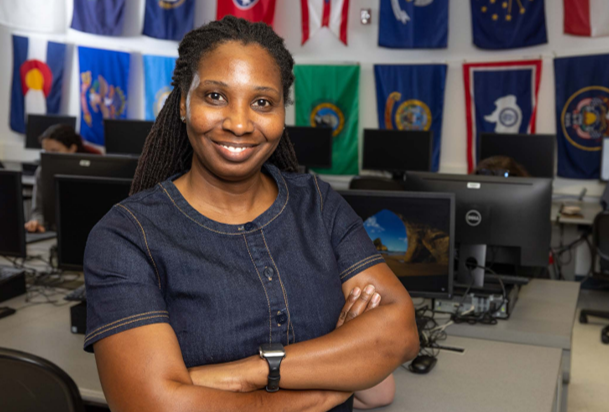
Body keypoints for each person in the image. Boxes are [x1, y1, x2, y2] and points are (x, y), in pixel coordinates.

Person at [83, 16, 418, 412]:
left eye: (262, 102)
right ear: (183, 106)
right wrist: (329, 382)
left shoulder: (318, 204)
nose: (240, 124)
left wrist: (252, 373)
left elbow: (400, 331)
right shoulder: (126, 236)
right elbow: (151, 406)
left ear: (282, 113)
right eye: (215, 96)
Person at [25, 124, 94, 233]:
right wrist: (36, 221)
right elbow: (38, 210)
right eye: (45, 152)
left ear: (72, 149)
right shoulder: (42, 171)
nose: (48, 156)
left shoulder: (92, 169)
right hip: (52, 232)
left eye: (54, 151)